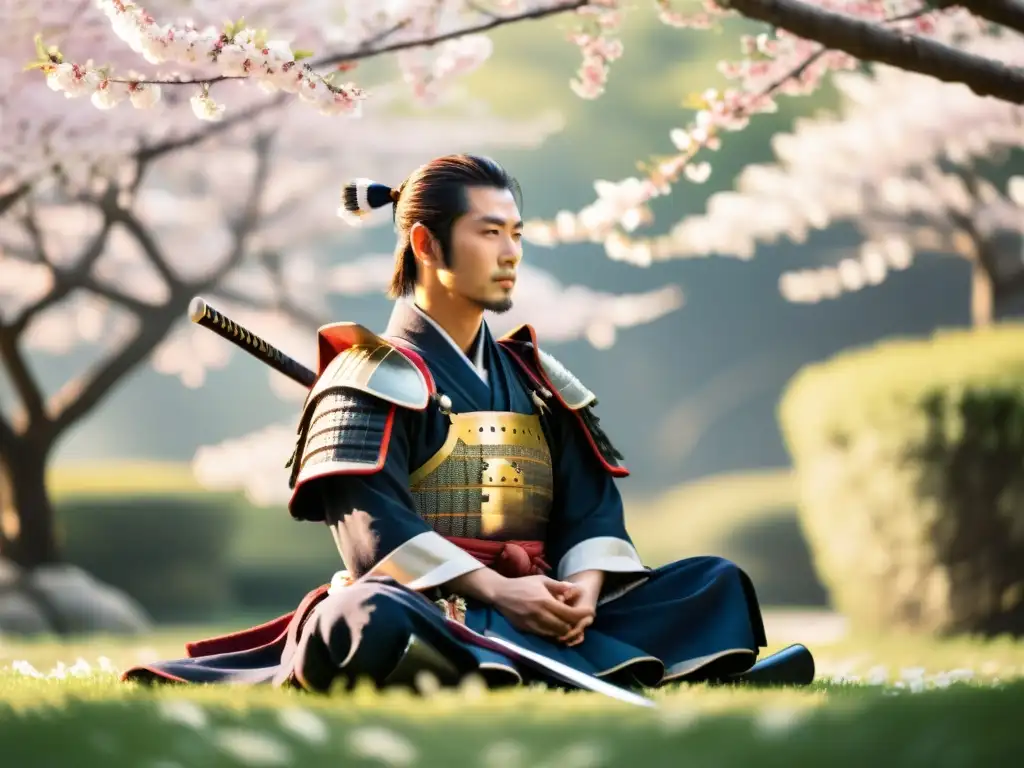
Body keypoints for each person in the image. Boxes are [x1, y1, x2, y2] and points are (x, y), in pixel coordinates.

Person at [122, 154, 814, 694]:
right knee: (369, 619)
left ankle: (559, 654)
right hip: (438, 608)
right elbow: (373, 533)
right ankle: (632, 662)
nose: (511, 252)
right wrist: (496, 590)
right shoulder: (365, 373)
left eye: (515, 234)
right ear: (426, 243)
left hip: (545, 607)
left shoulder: (536, 376)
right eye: (489, 233)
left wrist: (581, 593)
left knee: (713, 580)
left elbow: (590, 507)